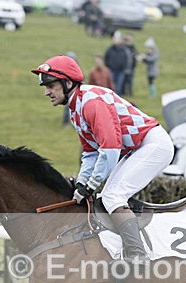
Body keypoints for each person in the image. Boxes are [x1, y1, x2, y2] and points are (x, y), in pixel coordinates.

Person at [32, 55, 174, 262]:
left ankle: (137, 254)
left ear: (68, 82)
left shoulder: (91, 103)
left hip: (153, 145)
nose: (46, 92)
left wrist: (91, 185)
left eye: (51, 86)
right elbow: (90, 153)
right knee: (106, 196)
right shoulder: (75, 109)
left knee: (112, 197)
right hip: (136, 147)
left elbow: (110, 150)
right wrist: (81, 183)